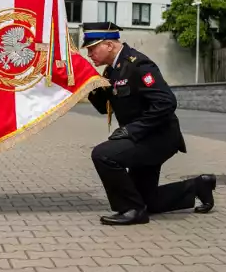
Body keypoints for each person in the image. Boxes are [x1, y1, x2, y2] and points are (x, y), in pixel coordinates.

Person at [83, 22, 216, 226]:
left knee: (103, 155)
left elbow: (166, 103)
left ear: (109, 45)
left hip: (158, 138)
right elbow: (104, 107)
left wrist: (130, 130)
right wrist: (86, 83)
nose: (90, 54)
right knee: (147, 200)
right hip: (143, 138)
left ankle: (132, 210)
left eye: (92, 49)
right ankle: (198, 186)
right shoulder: (112, 71)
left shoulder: (138, 65)